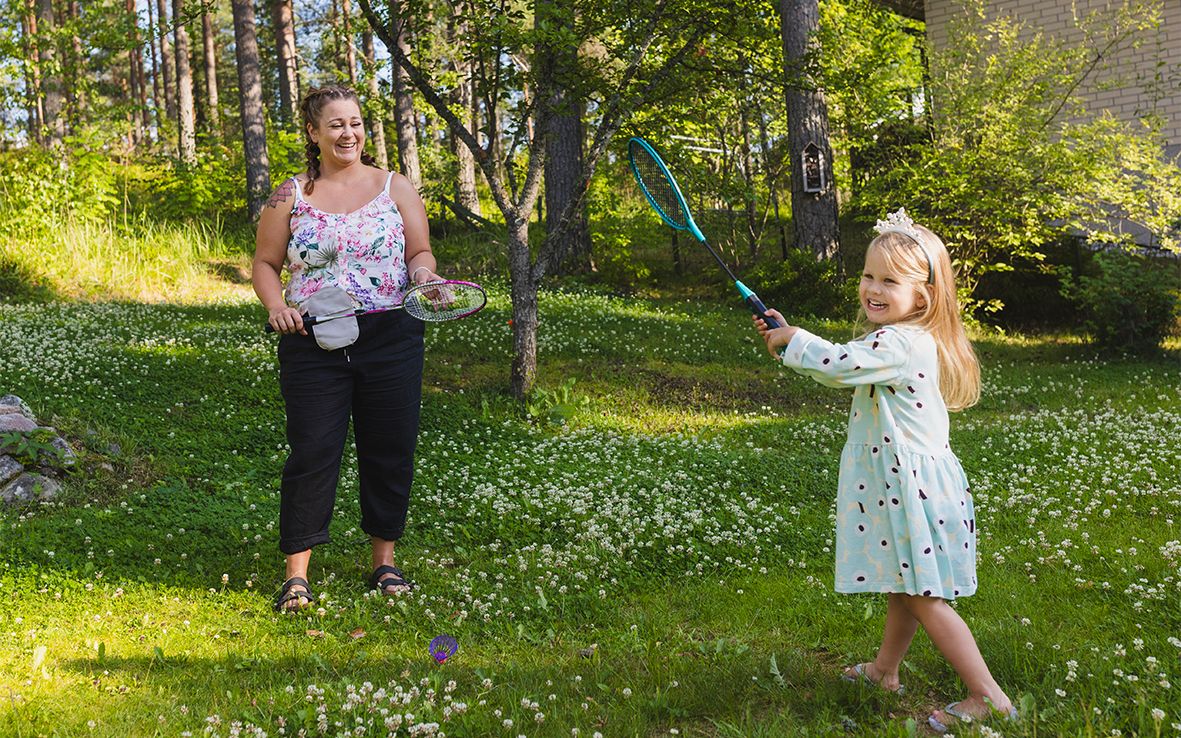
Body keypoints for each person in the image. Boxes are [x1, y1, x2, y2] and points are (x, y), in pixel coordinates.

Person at [752, 209, 1017, 733]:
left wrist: (793, 340)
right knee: (904, 588)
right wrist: (793, 337)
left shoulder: (898, 343)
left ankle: (989, 696)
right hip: (911, 486)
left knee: (922, 595)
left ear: (922, 295)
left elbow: (841, 365)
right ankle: (884, 671)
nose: (872, 288)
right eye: (868, 275)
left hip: (912, 491)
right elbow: (849, 358)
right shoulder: (904, 337)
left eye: (889, 280)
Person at [252, 85, 440, 613]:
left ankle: (384, 561)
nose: (348, 133)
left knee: (389, 448)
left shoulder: (394, 187)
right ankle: (296, 575)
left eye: (355, 122)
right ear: (313, 132)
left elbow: (419, 251)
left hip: (392, 336)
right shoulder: (288, 196)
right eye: (335, 124)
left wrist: (425, 276)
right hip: (313, 339)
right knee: (312, 452)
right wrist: (275, 307)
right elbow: (265, 264)